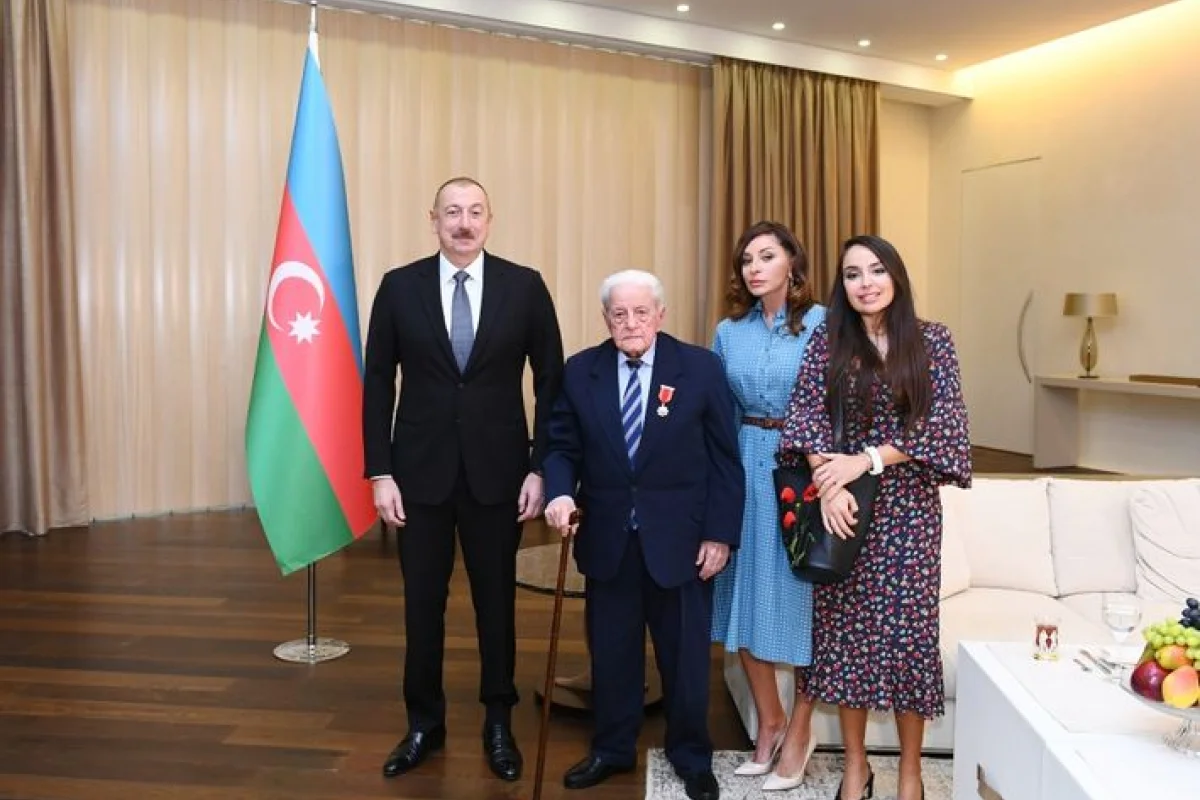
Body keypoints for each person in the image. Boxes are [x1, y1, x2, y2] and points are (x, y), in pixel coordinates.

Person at [362, 176, 565, 783]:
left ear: (490, 220)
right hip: (417, 477)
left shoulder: (524, 287)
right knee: (420, 606)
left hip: (498, 476)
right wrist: (380, 471)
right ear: (433, 219)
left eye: (475, 211)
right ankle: (424, 723)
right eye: (452, 212)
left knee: (495, 604)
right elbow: (377, 382)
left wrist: (540, 467)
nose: (464, 222)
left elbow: (551, 383)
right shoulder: (398, 287)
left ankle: (498, 721)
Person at [778, 234, 971, 800]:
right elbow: (806, 415)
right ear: (842, 285)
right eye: (853, 274)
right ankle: (856, 769)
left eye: (876, 270)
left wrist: (865, 460)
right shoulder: (829, 340)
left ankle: (910, 773)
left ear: (896, 276)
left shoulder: (933, 340)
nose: (866, 283)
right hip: (845, 509)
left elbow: (941, 424)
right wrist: (827, 482)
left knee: (910, 639)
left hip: (909, 510)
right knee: (847, 640)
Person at [543, 270, 743, 800]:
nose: (630, 323)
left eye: (640, 312)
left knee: (686, 660)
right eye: (619, 314)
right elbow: (561, 447)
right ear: (606, 318)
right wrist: (559, 492)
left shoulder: (699, 368)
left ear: (660, 315)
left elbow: (725, 461)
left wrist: (720, 535)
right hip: (609, 540)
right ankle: (612, 749)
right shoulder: (581, 371)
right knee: (612, 655)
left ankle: (691, 756)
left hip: (683, 542)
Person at [709, 221, 826, 792]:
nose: (754, 268)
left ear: (791, 263)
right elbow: (719, 411)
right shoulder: (729, 332)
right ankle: (770, 721)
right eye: (746, 260)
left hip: (804, 471)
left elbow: (841, 406)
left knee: (803, 605)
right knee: (744, 599)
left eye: (766, 257)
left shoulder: (826, 324)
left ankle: (800, 730)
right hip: (744, 466)